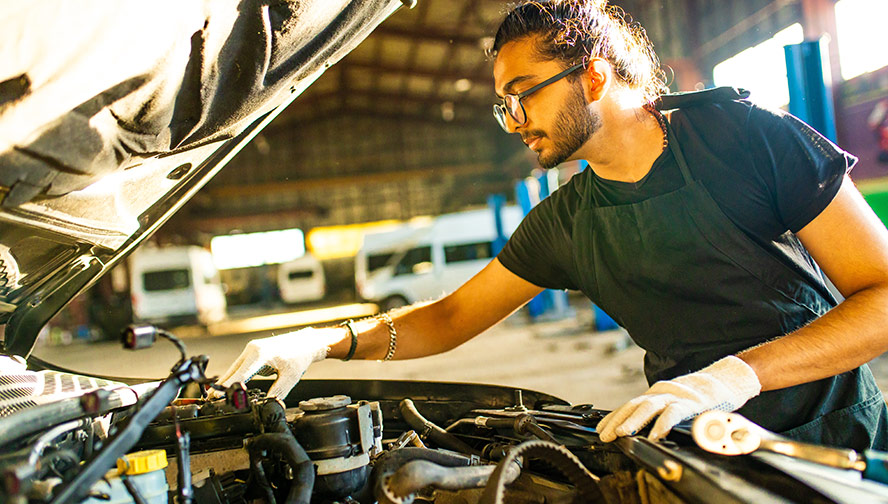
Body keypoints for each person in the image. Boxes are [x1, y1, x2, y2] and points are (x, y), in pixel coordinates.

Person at [218, 0, 888, 450]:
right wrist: (321, 341)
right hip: (695, 439)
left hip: (833, 439)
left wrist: (735, 373)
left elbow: (882, 297)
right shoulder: (565, 223)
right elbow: (451, 317)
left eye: (523, 94)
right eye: (503, 105)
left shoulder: (745, 139)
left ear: (593, 76)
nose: (514, 121)